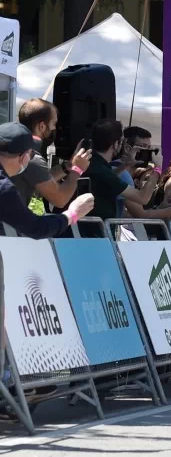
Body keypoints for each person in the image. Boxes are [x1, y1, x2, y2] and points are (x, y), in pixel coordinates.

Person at [0, 123, 96, 387]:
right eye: (30, 155)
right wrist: (72, 213)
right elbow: (37, 227)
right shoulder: (4, 189)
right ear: (23, 158)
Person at [10, 98, 91, 209]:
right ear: (42, 126)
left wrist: (69, 165)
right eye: (54, 123)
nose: (55, 128)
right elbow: (60, 199)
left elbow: (43, 177)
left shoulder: (14, 146)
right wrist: (77, 170)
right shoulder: (31, 157)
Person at [85, 119, 159, 220]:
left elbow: (109, 176)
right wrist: (158, 169)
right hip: (96, 233)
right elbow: (143, 198)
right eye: (121, 141)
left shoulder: (92, 164)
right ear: (115, 144)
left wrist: (126, 165)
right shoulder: (101, 170)